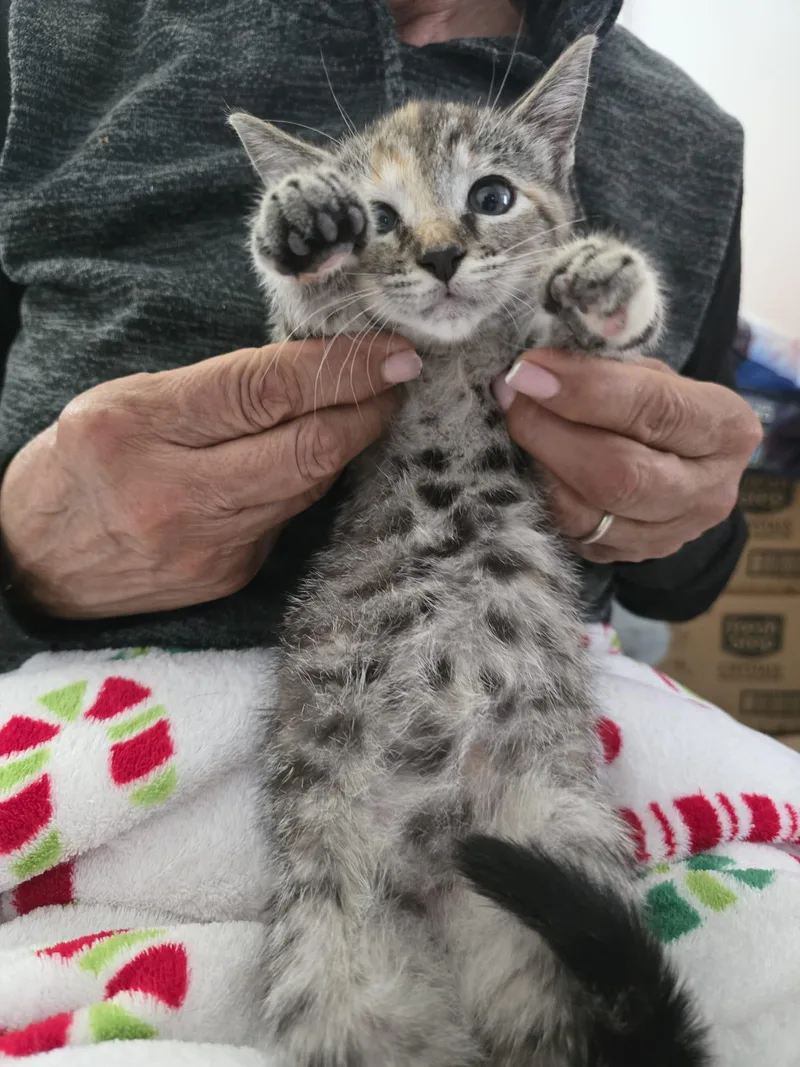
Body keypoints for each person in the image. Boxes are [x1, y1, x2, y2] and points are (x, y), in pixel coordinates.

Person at [0, 0, 758, 671]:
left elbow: (685, 582)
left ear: (558, 155)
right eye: (382, 218)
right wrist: (25, 552)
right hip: (112, 685)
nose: (439, 248)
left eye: (490, 196)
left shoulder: (691, 136)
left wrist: (675, 501)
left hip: (524, 666)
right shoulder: (43, 27)